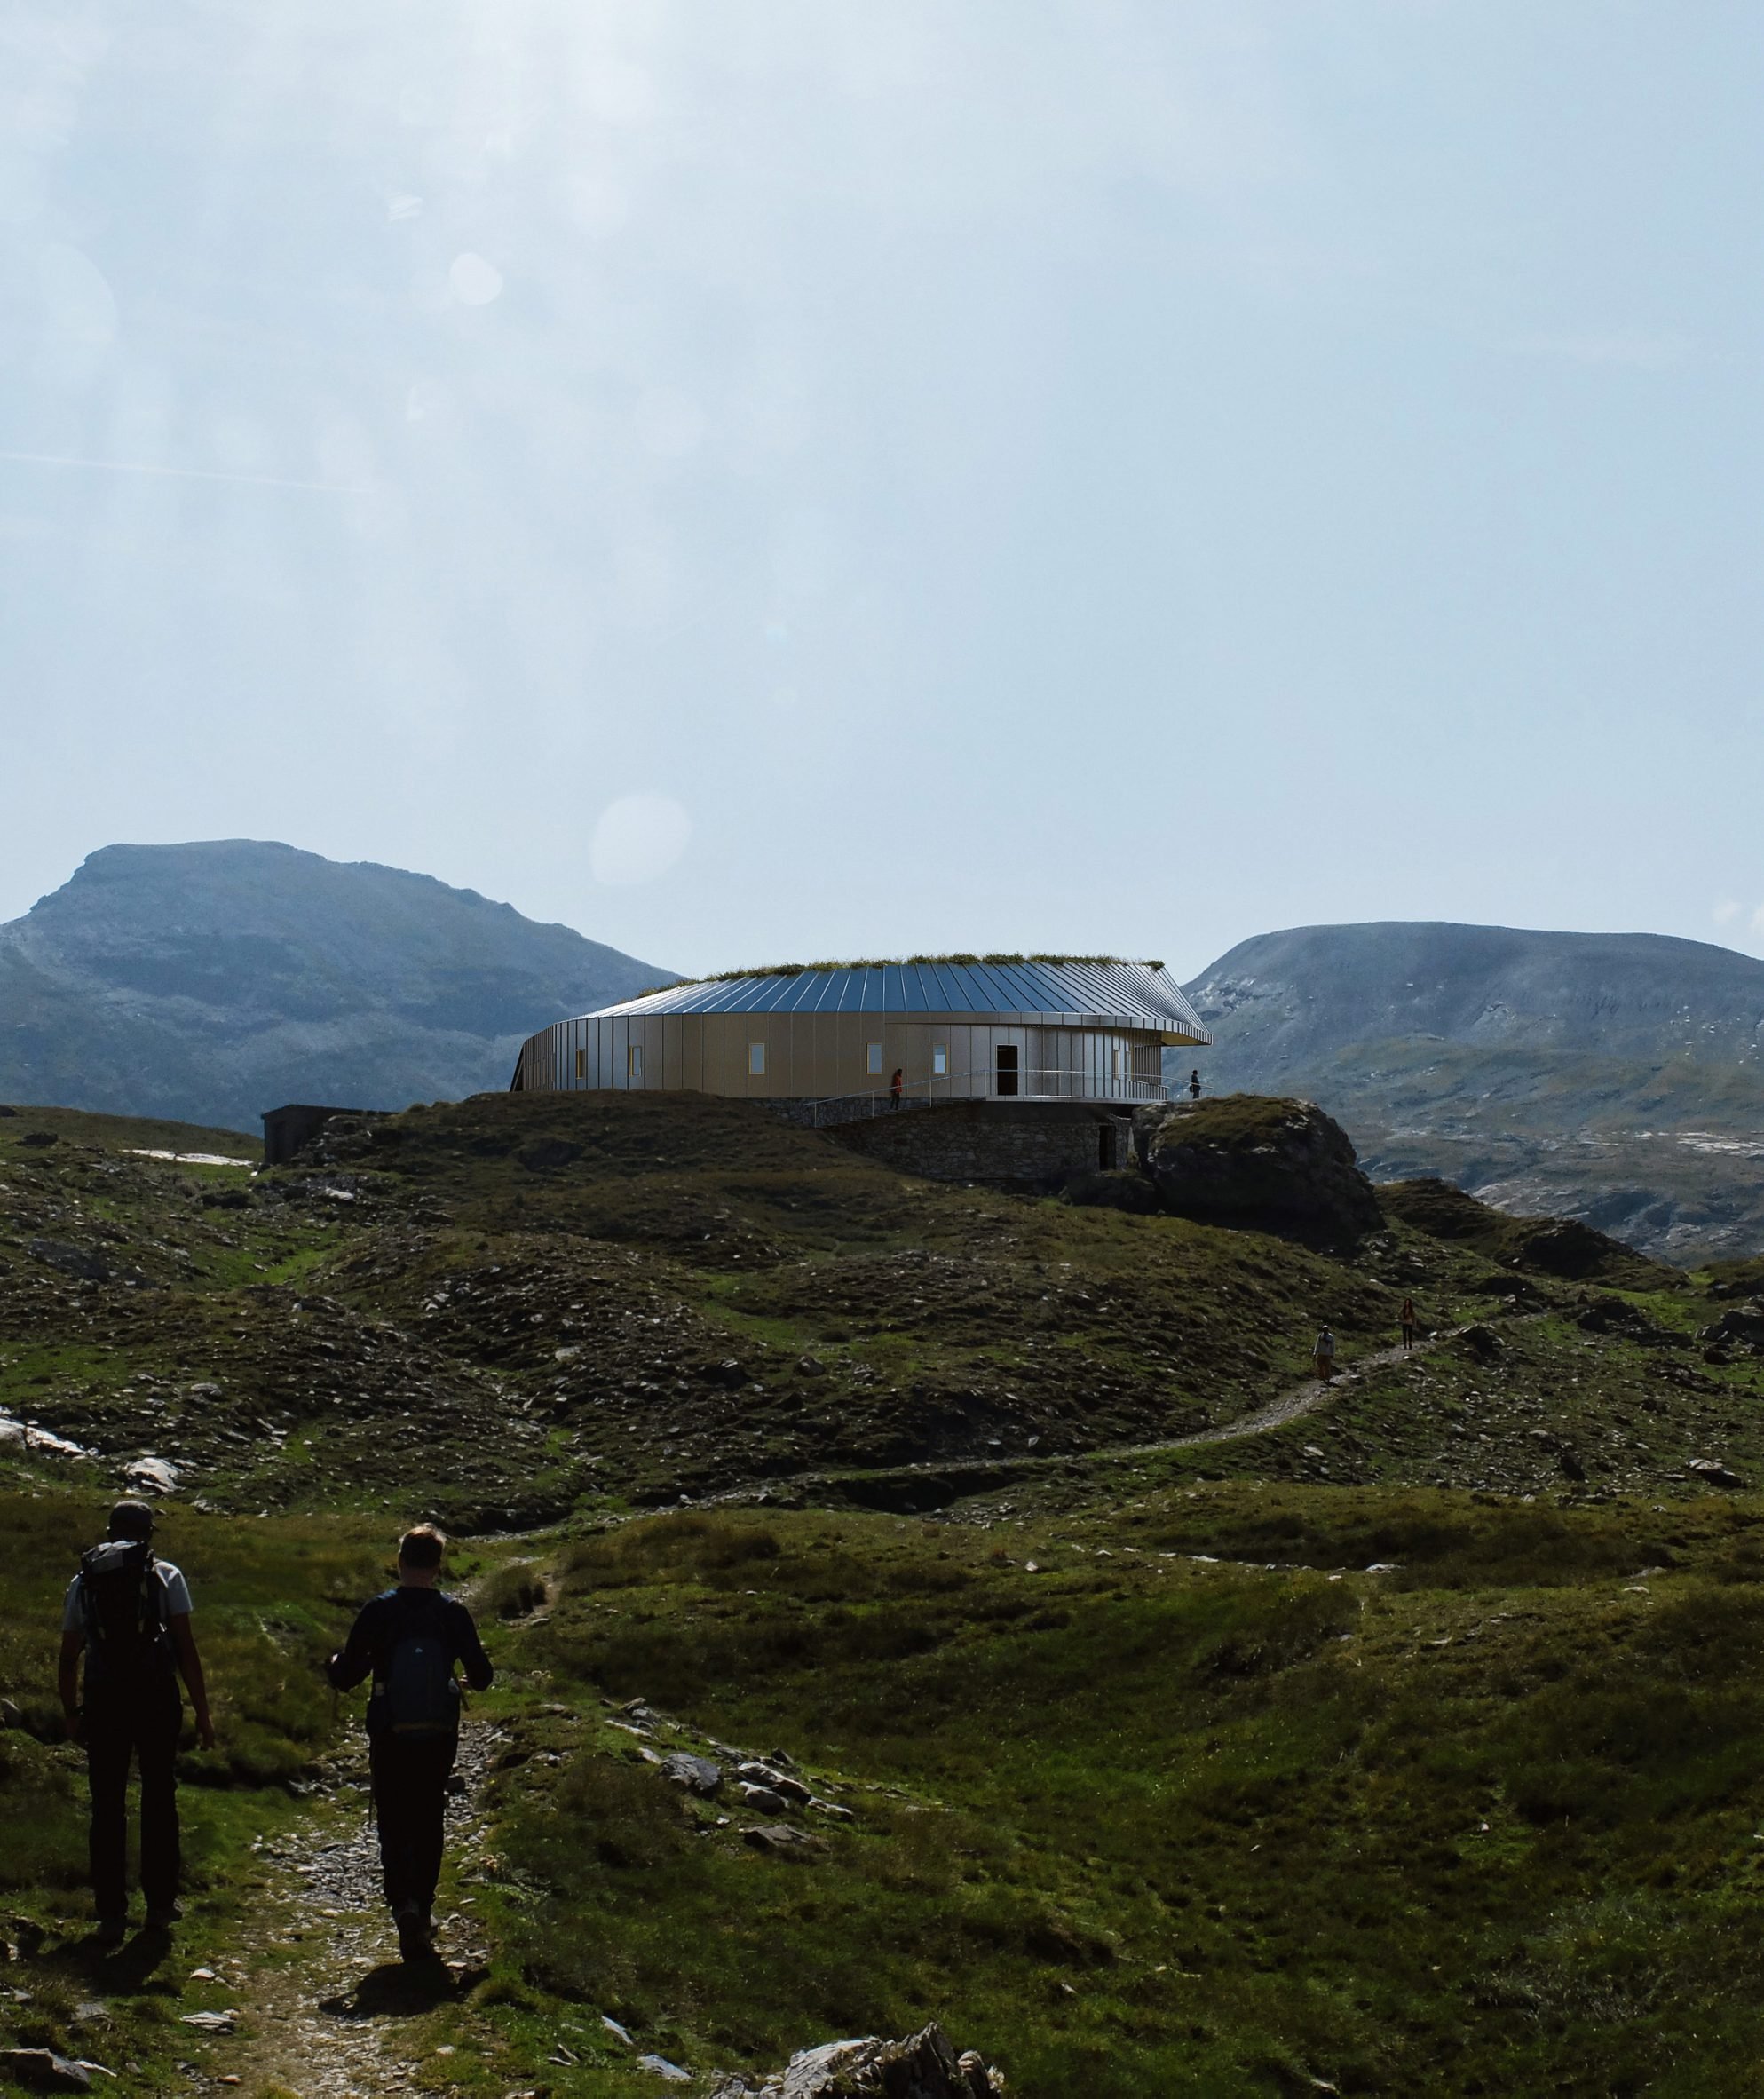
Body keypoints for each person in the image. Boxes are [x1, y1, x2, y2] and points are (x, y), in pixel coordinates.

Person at [327, 1525, 494, 1961]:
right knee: (428, 1816)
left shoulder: (379, 1611)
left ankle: (402, 1906)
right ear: (438, 1566)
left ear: (399, 1561)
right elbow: (483, 1676)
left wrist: (333, 1664)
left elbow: (346, 1676)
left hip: (389, 1731)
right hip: (438, 1733)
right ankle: (423, 1906)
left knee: (393, 1819)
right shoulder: (452, 1612)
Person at [59, 1501, 216, 1945]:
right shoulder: (165, 1575)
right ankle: (160, 1906)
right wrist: (202, 1712)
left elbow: (69, 1655)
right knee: (159, 1794)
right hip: (154, 1698)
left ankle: (110, 1911)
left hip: (104, 1699)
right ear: (149, 1534)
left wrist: (71, 1712)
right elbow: (186, 1649)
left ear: (110, 1531)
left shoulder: (84, 1580)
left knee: (106, 1801)